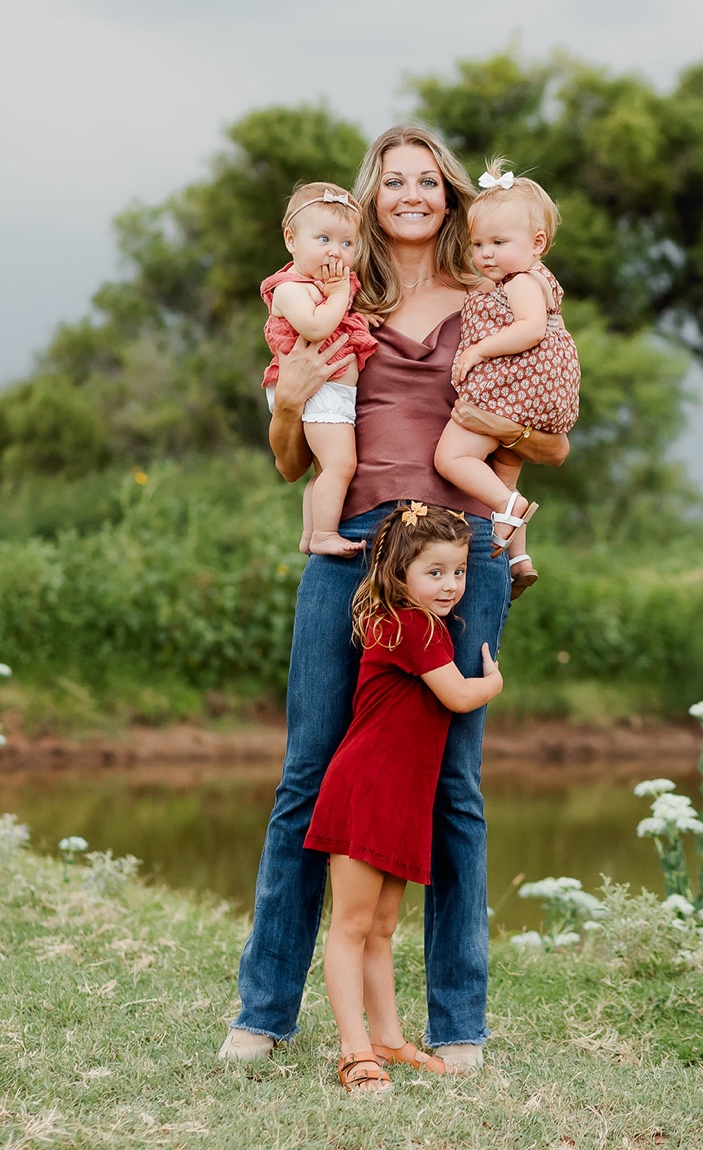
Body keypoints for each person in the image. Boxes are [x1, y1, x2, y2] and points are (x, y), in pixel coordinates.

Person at [220, 126, 568, 1074]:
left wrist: (494, 435)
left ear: (451, 196)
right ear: (374, 196)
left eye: (428, 180)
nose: (411, 194)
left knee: (454, 786)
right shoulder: (337, 300)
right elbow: (294, 455)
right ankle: (264, 1010)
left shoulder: (500, 302)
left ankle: (457, 1024)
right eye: (394, 181)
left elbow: (551, 442)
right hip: (352, 553)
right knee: (309, 773)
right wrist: (290, 398)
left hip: (460, 561)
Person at [303, 502, 503, 1093]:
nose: (450, 585)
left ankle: (388, 1039)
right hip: (368, 788)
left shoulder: (422, 624)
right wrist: (491, 682)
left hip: (399, 797)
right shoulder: (407, 624)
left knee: (382, 927)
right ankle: (354, 1051)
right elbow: (460, 697)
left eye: (459, 572)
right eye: (434, 572)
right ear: (400, 573)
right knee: (351, 926)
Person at [435, 161, 580, 599]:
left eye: (499, 242)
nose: (486, 254)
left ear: (538, 244)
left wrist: (477, 350)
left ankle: (509, 509)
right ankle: (518, 557)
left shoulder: (521, 282)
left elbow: (530, 329)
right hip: (534, 394)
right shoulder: (515, 278)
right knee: (505, 474)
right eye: (478, 244)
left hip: (510, 389)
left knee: (453, 458)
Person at [260, 182, 378, 556]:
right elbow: (315, 327)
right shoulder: (290, 288)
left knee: (326, 471)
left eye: (347, 244)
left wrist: (359, 315)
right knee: (342, 465)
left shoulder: (323, 285)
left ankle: (312, 533)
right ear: (291, 239)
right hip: (318, 392)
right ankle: (326, 533)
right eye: (324, 238)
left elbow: (337, 318)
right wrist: (341, 294)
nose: (336, 252)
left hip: (329, 394)